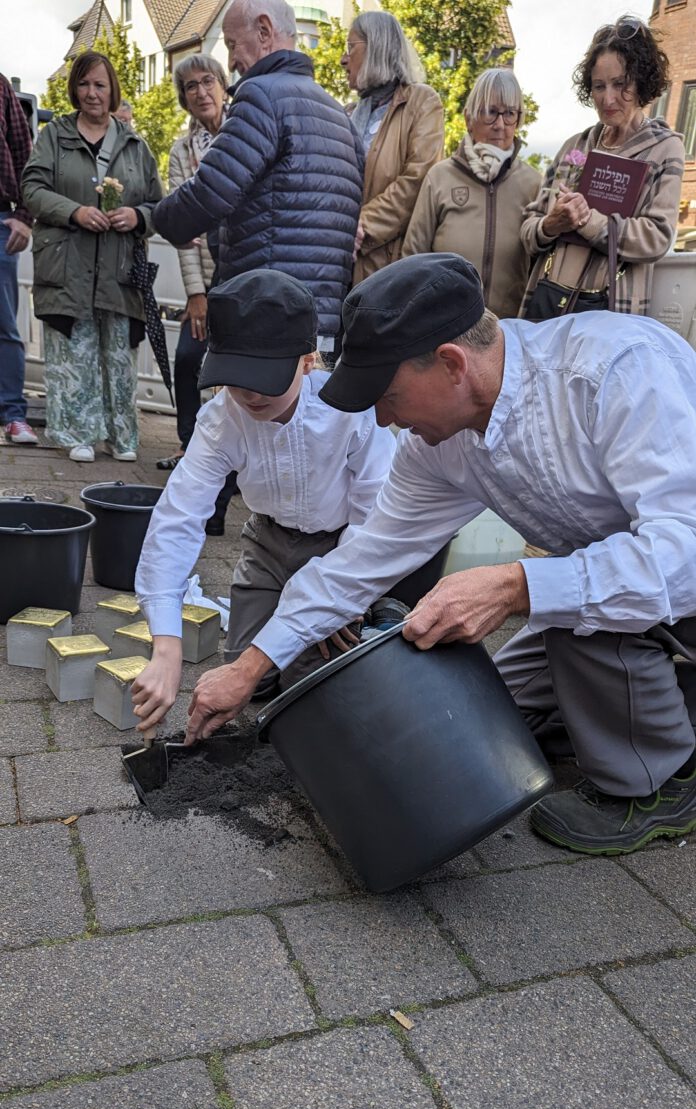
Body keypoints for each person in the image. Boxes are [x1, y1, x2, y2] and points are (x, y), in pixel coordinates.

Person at [172, 252, 696, 859]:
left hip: (679, 575)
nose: (381, 417)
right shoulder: (438, 446)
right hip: (629, 574)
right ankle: (640, 706)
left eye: (388, 395)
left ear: (451, 364)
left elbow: (682, 551)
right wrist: (249, 668)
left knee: (582, 619)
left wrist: (515, 586)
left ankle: (657, 784)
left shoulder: (617, 371)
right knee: (488, 708)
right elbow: (362, 561)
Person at [131, 268, 396, 722]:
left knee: (309, 679)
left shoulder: (350, 412)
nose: (247, 393)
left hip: (339, 544)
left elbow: (374, 511)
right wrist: (167, 647)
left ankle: (378, 617)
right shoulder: (221, 419)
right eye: (234, 377)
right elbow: (179, 515)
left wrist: (344, 597)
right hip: (266, 541)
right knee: (248, 669)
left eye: (263, 378)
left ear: (308, 360)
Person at [152, 0, 363, 354]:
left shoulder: (260, 95)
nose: (232, 61)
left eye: (233, 44)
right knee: (304, 410)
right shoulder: (340, 117)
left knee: (250, 411)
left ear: (264, 31)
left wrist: (163, 219)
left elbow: (210, 191)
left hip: (264, 317)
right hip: (321, 327)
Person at [21, 52, 162, 462]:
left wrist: (136, 216)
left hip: (120, 268)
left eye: (100, 85)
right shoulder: (53, 136)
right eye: (84, 84)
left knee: (119, 356)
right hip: (68, 264)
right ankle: (77, 432)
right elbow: (32, 188)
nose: (92, 93)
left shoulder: (136, 145)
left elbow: (159, 204)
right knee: (73, 350)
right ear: (74, 88)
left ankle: (122, 437)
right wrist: (75, 211)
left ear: (112, 89)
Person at [520, 15, 684, 319]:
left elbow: (657, 237)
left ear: (642, 81)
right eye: (598, 86)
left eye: (620, 84)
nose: (608, 98)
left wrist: (588, 221)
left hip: (610, 311)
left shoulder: (666, 148)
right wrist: (551, 224)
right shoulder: (574, 146)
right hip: (547, 304)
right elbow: (529, 230)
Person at [156, 52, 238, 535]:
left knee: (241, 375)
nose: (201, 91)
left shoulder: (244, 131)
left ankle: (241, 465)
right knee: (189, 359)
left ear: (223, 85)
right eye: (190, 86)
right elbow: (183, 234)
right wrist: (195, 293)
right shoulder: (180, 152)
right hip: (206, 278)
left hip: (244, 273)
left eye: (208, 81)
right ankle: (191, 445)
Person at [403, 68, 541, 319]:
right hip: (444, 325)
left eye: (509, 113)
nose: (500, 124)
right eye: (490, 112)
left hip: (508, 330)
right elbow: (413, 258)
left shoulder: (533, 183)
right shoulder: (440, 177)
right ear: (469, 118)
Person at [343, 10, 444, 286]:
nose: (343, 59)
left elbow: (418, 180)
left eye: (350, 47)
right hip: (341, 264)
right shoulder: (350, 112)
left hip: (389, 270)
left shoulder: (422, 102)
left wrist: (361, 225)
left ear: (377, 47)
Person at [0, 72, 37, 445]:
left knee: (4, 325)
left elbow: (27, 158)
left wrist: (25, 218)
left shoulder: (0, 88)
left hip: (0, 219)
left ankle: (13, 414)